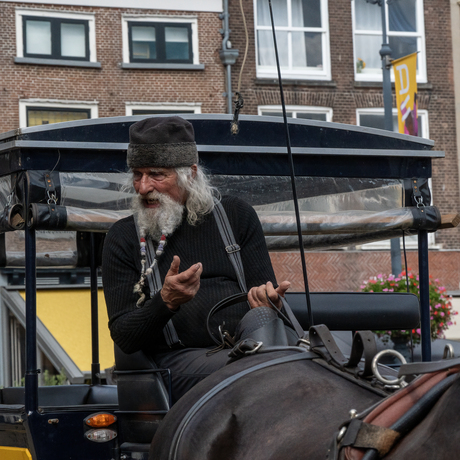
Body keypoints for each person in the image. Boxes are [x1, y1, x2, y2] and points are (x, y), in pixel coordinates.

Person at [102, 116, 293, 402]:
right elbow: (125, 338)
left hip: (252, 346)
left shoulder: (236, 216)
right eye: (137, 175)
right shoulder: (123, 237)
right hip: (175, 363)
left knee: (326, 359)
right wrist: (165, 301)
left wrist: (270, 301)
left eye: (156, 174)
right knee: (257, 369)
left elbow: (263, 299)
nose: (142, 187)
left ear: (190, 173)